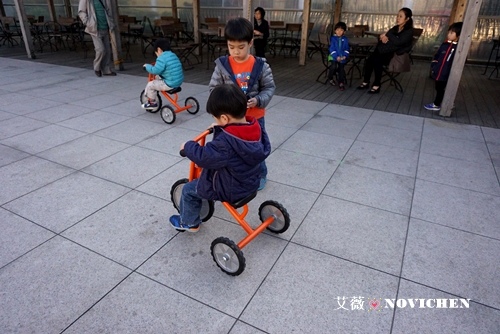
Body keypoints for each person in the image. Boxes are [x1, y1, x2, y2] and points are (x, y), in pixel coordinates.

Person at [169, 84, 271, 232]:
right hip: (251, 181)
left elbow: (205, 157)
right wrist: (220, 127)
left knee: (189, 190)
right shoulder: (255, 127)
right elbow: (234, 134)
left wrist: (188, 146)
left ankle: (189, 222)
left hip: (231, 189)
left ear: (224, 118)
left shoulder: (224, 144)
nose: (215, 120)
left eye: (215, 117)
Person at [209, 17, 275, 191]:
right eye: (231, 47)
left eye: (241, 47)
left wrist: (258, 100)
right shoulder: (222, 66)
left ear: (250, 43)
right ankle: (232, 176)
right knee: (229, 149)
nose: (236, 52)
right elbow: (213, 89)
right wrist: (224, 106)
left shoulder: (260, 65)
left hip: (254, 118)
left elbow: (269, 87)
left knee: (255, 150)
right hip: (230, 119)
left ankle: (260, 175)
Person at [357, 7, 414, 94]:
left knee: (376, 60)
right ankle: (366, 82)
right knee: (370, 60)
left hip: (395, 55)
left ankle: (376, 84)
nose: (398, 18)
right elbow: (387, 37)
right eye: (397, 16)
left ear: (407, 19)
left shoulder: (408, 31)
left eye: (400, 16)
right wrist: (383, 37)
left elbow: (398, 42)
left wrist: (387, 35)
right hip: (385, 51)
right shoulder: (396, 28)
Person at [424, 22, 463, 111]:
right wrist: (434, 65)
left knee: (444, 89)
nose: (448, 34)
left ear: (459, 35)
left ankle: (437, 104)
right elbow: (437, 55)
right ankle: (444, 103)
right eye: (449, 32)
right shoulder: (445, 44)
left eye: (452, 33)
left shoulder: (458, 48)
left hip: (448, 74)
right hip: (438, 72)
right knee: (438, 88)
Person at [141, 38, 184, 110]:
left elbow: (155, 70)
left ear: (159, 50)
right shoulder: (173, 55)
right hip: (178, 81)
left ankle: (152, 103)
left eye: (156, 53)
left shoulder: (162, 58)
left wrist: (147, 66)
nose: (157, 55)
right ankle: (156, 89)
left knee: (150, 85)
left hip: (170, 84)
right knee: (158, 77)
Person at [78, 0, 117, 77]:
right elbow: (81, 11)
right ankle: (97, 67)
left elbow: (108, 10)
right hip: (94, 29)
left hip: (105, 27)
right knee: (101, 50)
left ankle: (106, 70)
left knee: (108, 51)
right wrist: (87, 22)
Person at [327, 21, 350, 91]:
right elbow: (332, 49)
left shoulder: (345, 39)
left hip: (342, 57)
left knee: (341, 68)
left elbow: (347, 49)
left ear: (344, 32)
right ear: (335, 31)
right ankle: (330, 78)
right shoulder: (333, 39)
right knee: (333, 66)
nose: (339, 32)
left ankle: (341, 82)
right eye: (337, 30)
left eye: (341, 30)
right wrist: (336, 56)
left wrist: (344, 56)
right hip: (333, 56)